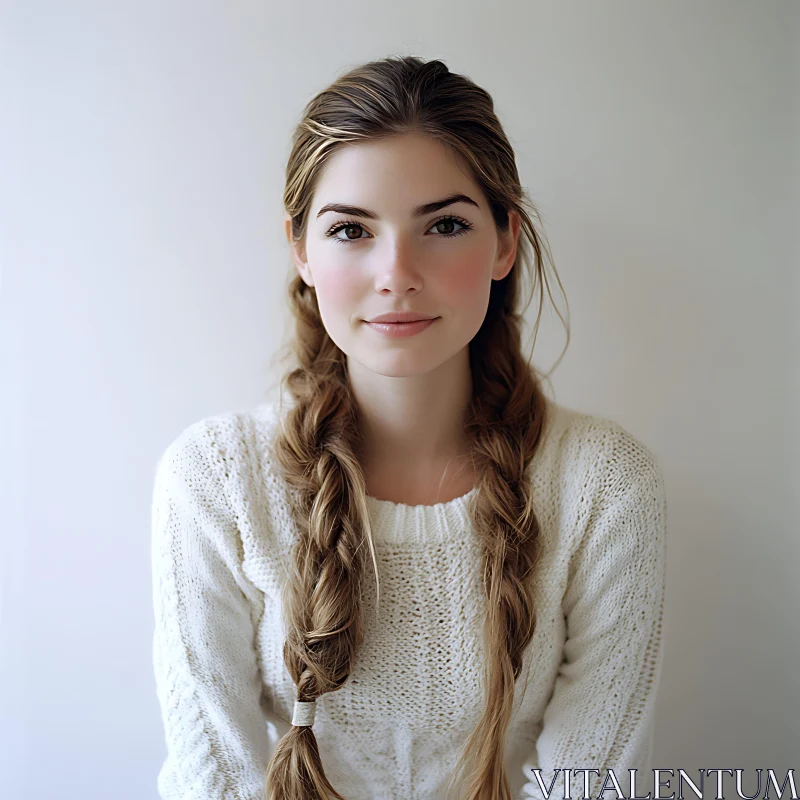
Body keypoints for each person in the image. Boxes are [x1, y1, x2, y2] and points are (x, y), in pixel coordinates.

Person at [150, 55, 667, 800]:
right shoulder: (214, 481)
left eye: (445, 224)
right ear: (300, 248)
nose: (397, 272)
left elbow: (595, 782)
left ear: (504, 241)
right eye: (352, 230)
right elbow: (212, 778)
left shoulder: (604, 485)